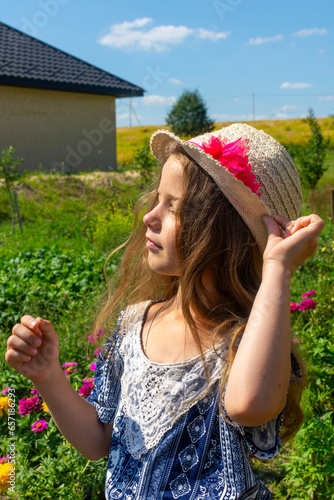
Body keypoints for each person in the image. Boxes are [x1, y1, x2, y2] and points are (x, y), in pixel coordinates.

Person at [6, 123, 324, 499]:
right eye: (157, 199)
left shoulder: (247, 341)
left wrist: (278, 268)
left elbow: (248, 405)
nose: (149, 217)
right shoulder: (135, 323)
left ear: (225, 231)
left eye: (173, 206)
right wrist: (48, 376)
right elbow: (98, 442)